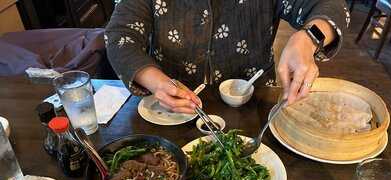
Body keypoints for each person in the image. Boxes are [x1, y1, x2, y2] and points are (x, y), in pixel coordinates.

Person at [105, 0, 350, 113]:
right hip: (171, 108)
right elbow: (120, 36)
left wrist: (308, 39)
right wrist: (155, 81)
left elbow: (330, 6)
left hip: (251, 104)